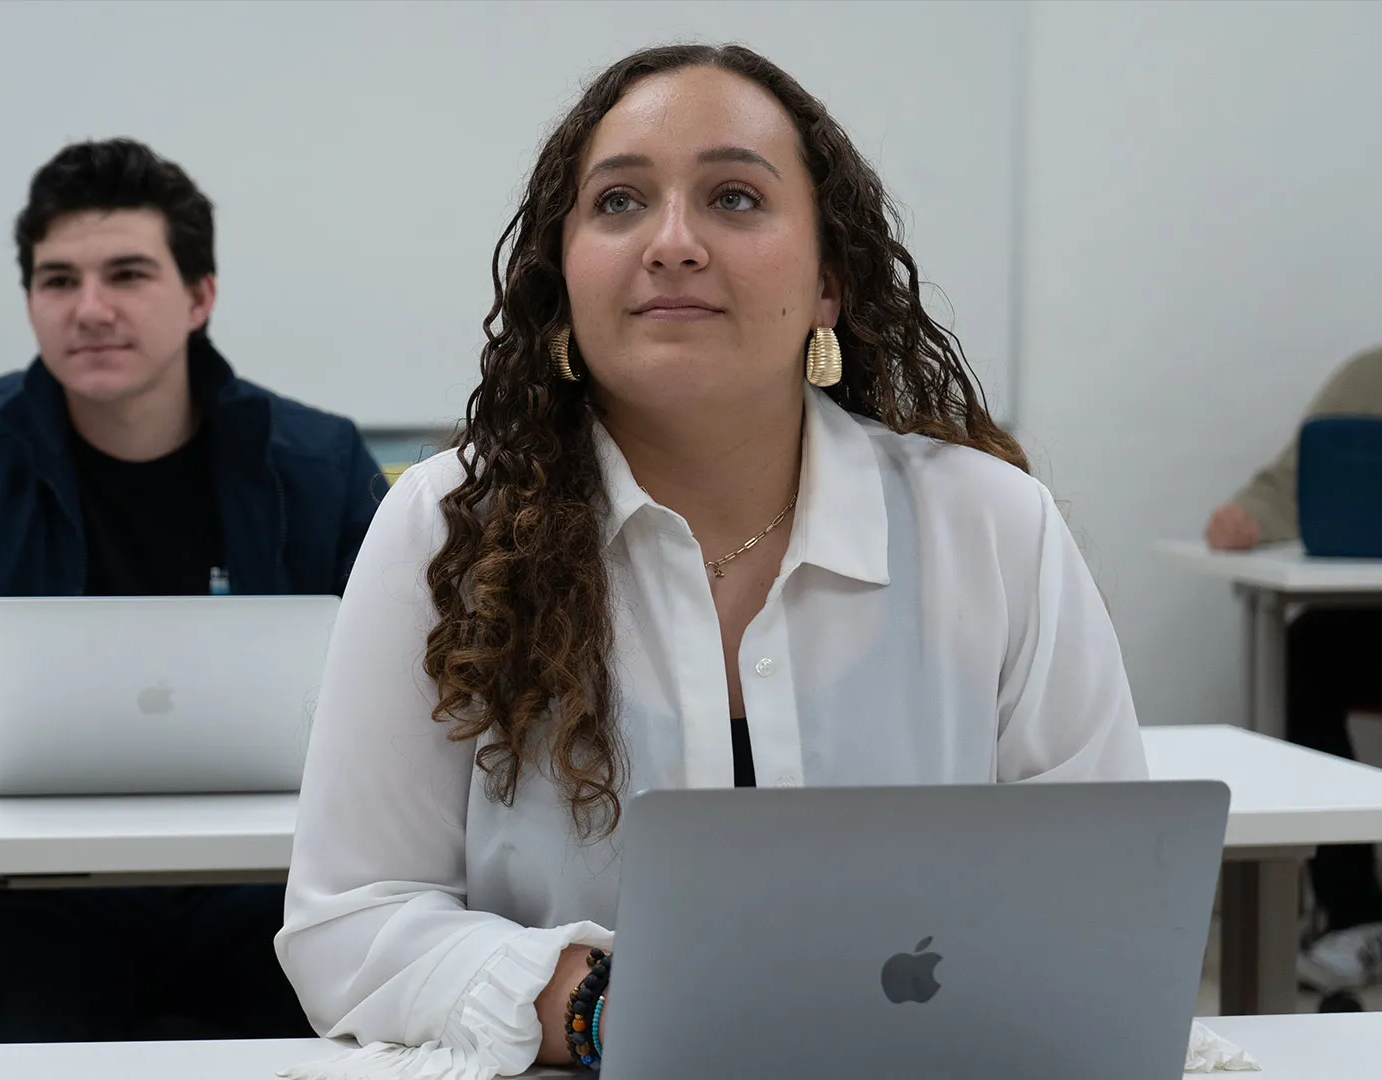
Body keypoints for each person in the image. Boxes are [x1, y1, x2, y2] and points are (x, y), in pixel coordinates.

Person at [274, 43, 1146, 1078]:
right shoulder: (444, 526)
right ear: (563, 280)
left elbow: (1113, 905)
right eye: (619, 203)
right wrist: (604, 1010)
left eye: (735, 199)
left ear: (830, 283)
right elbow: (352, 923)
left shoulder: (994, 527)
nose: (673, 243)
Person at [0, 139, 387, 1043]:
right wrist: (3, 715)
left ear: (199, 297)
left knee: (337, 1033)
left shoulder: (315, 464)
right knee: (14, 1016)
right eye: (57, 280)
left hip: (271, 887)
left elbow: (428, 674)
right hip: (18, 891)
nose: (90, 309)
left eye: (127, 274)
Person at [1204, 345, 1382, 997]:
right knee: (1309, 645)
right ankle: (1356, 913)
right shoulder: (1372, 374)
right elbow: (1294, 480)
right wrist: (1248, 515)